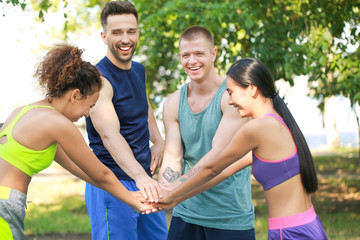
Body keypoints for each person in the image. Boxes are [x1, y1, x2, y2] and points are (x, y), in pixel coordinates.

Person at [157, 58, 329, 239]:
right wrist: (175, 197)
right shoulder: (278, 123)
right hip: (306, 226)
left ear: (252, 89)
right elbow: (223, 172)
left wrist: (169, 195)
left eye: (231, 93)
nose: (230, 101)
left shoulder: (257, 128)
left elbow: (212, 166)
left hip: (290, 233)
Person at [0, 43, 155, 240]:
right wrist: (133, 200)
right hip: (5, 205)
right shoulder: (58, 124)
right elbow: (103, 174)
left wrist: (123, 193)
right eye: (90, 105)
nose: (88, 113)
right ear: (75, 95)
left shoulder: (25, 112)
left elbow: (79, 168)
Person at [157, 26, 255, 240]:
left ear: (213, 54)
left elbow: (218, 158)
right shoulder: (173, 103)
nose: (192, 61)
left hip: (229, 217)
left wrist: (173, 192)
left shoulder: (232, 98)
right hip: (186, 214)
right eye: (186, 55)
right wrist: (164, 192)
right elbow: (173, 157)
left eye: (199, 53)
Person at [84, 1, 168, 239]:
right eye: (117, 32)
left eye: (131, 31)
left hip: (143, 180)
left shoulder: (138, 70)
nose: (125, 39)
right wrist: (140, 176)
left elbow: (145, 105)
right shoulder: (99, 80)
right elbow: (110, 135)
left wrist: (159, 141)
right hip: (113, 183)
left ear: (138, 33)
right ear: (104, 35)